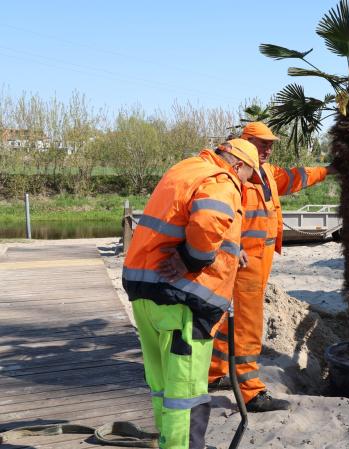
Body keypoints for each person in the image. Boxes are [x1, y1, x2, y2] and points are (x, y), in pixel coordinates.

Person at [122, 139, 261, 449]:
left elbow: (184, 220)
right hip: (183, 302)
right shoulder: (221, 179)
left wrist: (229, 251)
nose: (244, 183)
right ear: (237, 164)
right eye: (247, 177)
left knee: (163, 388)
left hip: (146, 293)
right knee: (186, 394)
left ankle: (169, 442)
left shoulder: (186, 169)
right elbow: (209, 219)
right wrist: (190, 259)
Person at [208, 122, 334, 412]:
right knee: (248, 326)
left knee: (229, 322)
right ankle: (251, 392)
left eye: (270, 144)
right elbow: (220, 215)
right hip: (244, 262)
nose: (267, 149)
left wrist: (329, 170)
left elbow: (294, 177)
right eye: (261, 143)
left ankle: (215, 374)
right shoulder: (235, 174)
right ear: (244, 142)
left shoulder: (264, 172)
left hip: (258, 259)